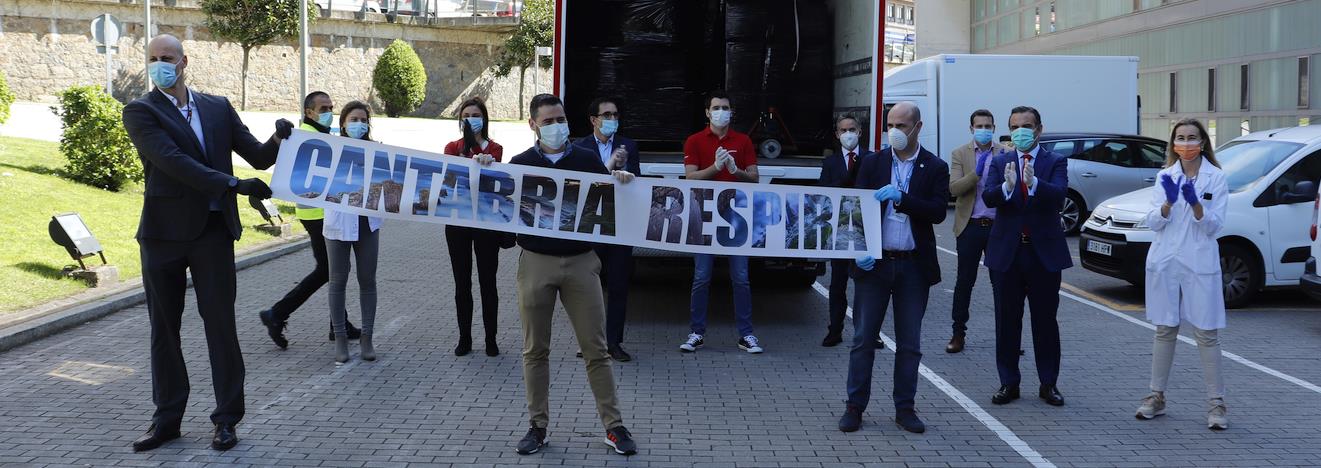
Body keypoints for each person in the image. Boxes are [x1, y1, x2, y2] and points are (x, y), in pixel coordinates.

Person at [121, 34, 293, 452]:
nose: (160, 64)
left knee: (221, 328)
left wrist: (279, 138)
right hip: (162, 235)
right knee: (164, 331)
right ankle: (167, 420)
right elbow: (172, 162)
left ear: (184, 62)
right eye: (153, 59)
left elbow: (257, 156)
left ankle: (226, 420)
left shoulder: (216, 107)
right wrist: (233, 184)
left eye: (168, 58)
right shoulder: (140, 111)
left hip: (213, 233)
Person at [498, 94, 638, 456]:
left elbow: (610, 210)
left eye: (560, 119)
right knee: (535, 351)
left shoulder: (587, 161)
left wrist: (620, 183)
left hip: (580, 263)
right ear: (532, 125)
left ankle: (614, 426)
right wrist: (485, 170)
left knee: (597, 349)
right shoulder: (520, 164)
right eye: (547, 121)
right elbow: (500, 224)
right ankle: (537, 426)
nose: (556, 126)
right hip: (536, 262)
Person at [837, 102, 949, 434]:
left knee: (910, 344)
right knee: (862, 339)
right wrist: (858, 251)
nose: (894, 131)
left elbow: (937, 211)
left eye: (902, 125)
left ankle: (905, 408)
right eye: (890, 124)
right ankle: (855, 407)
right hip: (875, 265)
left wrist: (901, 197)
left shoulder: (934, 166)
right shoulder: (873, 163)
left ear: (918, 127)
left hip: (913, 267)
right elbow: (854, 210)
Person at [1134, 118, 1230, 430]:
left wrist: (1197, 206)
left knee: (1206, 332)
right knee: (1165, 328)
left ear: (1203, 142)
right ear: (1172, 143)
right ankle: (1156, 396)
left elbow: (1215, 227)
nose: (1186, 143)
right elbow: (1152, 222)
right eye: (1180, 137)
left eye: (1192, 138)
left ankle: (1216, 403)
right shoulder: (1165, 176)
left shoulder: (1216, 178)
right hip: (1166, 260)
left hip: (1199, 260)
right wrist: (1168, 203)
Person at [980, 106, 1071, 407]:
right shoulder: (1000, 160)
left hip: (1043, 253)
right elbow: (989, 197)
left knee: (1045, 321)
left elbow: (1059, 196)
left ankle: (1049, 383)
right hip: (1007, 253)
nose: (1021, 131)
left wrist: (1033, 184)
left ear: (1039, 129)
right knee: (1007, 321)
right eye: (1015, 126)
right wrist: (1007, 187)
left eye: (1027, 126)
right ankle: (1009, 382)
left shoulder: (1055, 161)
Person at [258, 91, 361, 349]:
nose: (329, 112)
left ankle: (336, 324)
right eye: (323, 108)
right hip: (317, 214)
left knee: (332, 270)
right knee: (330, 270)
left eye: (331, 107)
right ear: (309, 112)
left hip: (322, 212)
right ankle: (278, 314)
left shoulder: (322, 134)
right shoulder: (304, 134)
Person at [680, 90, 763, 354]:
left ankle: (746, 335)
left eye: (725, 107)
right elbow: (690, 178)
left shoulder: (744, 141)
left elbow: (755, 177)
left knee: (740, 277)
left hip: (736, 218)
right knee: (701, 277)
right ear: (707, 112)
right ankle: (696, 332)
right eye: (716, 107)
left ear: (731, 112)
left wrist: (735, 170)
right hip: (704, 216)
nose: (721, 112)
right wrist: (715, 168)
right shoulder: (694, 141)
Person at [573, 97, 641, 362]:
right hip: (590, 227)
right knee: (586, 288)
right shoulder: (579, 147)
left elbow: (637, 180)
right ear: (594, 120)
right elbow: (581, 183)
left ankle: (614, 342)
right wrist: (611, 165)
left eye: (615, 114)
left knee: (618, 285)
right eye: (607, 115)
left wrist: (627, 174)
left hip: (620, 226)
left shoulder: (629, 146)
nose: (612, 119)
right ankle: (588, 341)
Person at [442, 96, 505, 357]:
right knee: (462, 283)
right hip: (458, 222)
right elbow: (449, 175)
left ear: (484, 119)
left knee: (488, 281)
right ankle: (464, 337)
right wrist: (465, 151)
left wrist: (483, 158)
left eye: (475, 115)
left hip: (486, 224)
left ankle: (491, 338)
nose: (471, 119)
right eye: (466, 115)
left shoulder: (495, 148)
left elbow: (496, 176)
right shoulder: (452, 146)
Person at [325, 101, 384, 364]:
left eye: (363, 120)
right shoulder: (330, 149)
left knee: (367, 280)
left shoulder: (378, 151)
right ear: (343, 124)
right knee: (337, 280)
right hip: (338, 223)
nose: (359, 124)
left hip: (367, 224)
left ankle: (367, 338)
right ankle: (340, 338)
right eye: (354, 120)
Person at [945, 109, 1009, 354]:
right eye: (979, 126)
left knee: (1002, 283)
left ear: (994, 127)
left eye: (988, 126)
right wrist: (977, 172)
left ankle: (1006, 335)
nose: (984, 130)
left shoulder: (1005, 152)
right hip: (970, 226)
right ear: (971, 128)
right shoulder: (960, 153)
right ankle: (958, 333)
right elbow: (954, 189)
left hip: (998, 228)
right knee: (964, 283)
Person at [818, 115, 872, 347]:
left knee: (865, 285)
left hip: (864, 231)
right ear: (837, 134)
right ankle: (835, 330)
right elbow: (822, 191)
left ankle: (868, 331)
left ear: (859, 132)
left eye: (852, 129)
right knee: (837, 284)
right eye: (843, 130)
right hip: (839, 231)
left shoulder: (871, 158)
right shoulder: (830, 162)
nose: (847, 134)